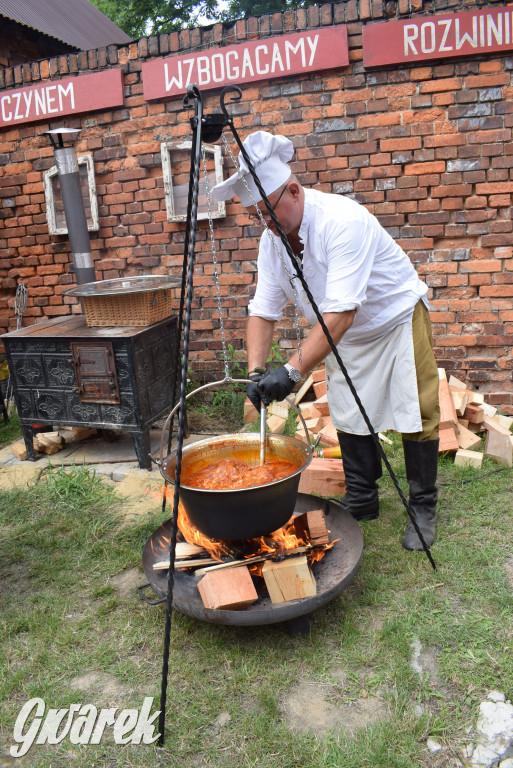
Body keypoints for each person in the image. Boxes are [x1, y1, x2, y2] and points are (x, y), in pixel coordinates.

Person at [212, 131, 440, 551]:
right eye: (257, 216)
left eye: (268, 211)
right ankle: (363, 499)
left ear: (294, 191)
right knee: (350, 412)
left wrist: (293, 369)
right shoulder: (273, 241)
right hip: (345, 335)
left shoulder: (342, 221)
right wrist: (257, 371)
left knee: (417, 409)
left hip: (393, 319)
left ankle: (423, 506)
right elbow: (262, 311)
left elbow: (340, 314)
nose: (265, 224)